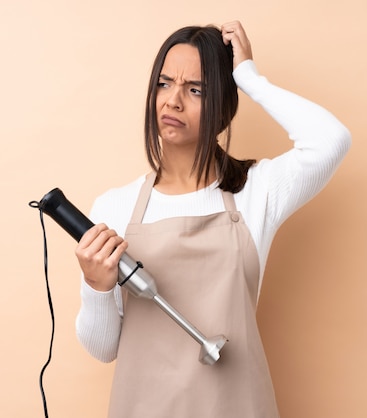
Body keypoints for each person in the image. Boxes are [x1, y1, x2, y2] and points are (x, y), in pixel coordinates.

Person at [74, 21, 351, 417]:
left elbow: (331, 139)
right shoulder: (114, 207)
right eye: (164, 84)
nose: (172, 102)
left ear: (223, 106)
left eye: (196, 90)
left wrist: (248, 77)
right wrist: (96, 287)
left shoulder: (257, 192)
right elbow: (102, 349)